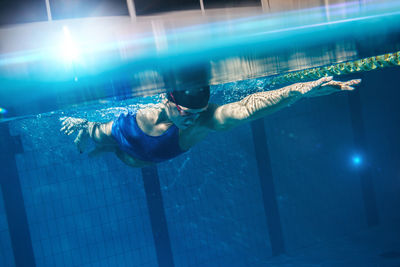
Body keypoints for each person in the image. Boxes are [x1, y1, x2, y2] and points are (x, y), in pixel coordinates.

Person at [60, 76, 361, 168]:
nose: (192, 119)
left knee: (127, 158)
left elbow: (246, 107)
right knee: (95, 135)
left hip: (138, 157)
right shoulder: (146, 108)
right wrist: (90, 129)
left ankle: (109, 149)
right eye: (186, 113)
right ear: (167, 100)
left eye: (199, 111)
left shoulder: (204, 120)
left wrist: (297, 92)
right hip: (124, 132)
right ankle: (85, 128)